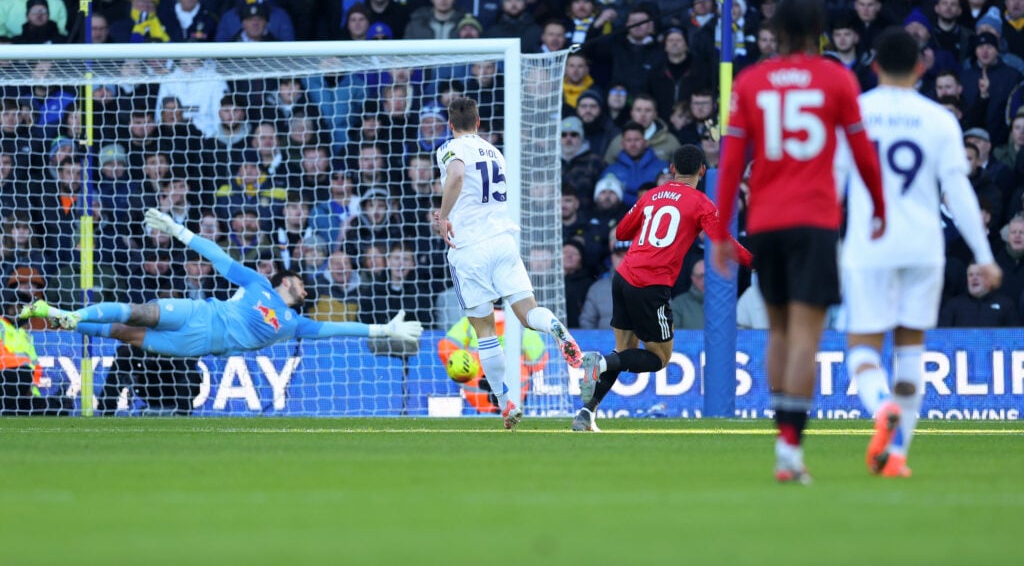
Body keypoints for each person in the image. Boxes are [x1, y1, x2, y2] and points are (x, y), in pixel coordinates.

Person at [711, 0, 887, 484]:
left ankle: (781, 443)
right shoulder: (836, 78)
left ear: (776, 31)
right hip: (814, 221)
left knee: (779, 332)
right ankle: (790, 451)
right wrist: (877, 206)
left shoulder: (750, 81)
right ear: (818, 30)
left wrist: (721, 229)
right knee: (806, 336)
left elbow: (731, 163)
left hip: (765, 222)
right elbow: (863, 152)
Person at [838, 27, 1002, 480]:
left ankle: (879, 404)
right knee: (911, 350)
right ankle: (897, 457)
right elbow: (958, 191)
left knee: (863, 347)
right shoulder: (939, 120)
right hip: (924, 245)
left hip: (870, 244)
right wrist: (984, 254)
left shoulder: (855, 114)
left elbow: (830, 186)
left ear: (873, 67)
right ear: (921, 67)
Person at [20, 208, 423, 358]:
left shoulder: (296, 323)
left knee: (124, 334)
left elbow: (339, 329)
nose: (305, 290)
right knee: (141, 311)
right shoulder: (258, 282)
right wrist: (180, 232)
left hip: (198, 346)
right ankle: (66, 316)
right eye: (302, 283)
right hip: (199, 313)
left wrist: (382, 328)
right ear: (289, 280)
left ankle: (61, 319)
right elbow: (218, 256)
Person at [574, 145, 752, 432]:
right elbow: (723, 242)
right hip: (650, 286)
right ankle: (600, 362)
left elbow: (621, 232)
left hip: (622, 277)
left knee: (625, 350)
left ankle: (586, 411)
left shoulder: (651, 196)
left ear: (672, 169)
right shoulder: (702, 203)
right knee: (659, 358)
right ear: (702, 172)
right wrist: (754, 262)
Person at [435, 97, 582, 431]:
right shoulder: (494, 152)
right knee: (528, 312)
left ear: (450, 124)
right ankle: (556, 329)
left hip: (469, 247)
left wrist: (443, 217)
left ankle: (504, 403)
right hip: (503, 240)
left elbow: (457, 174)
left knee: (484, 330)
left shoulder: (448, 147)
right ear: (479, 122)